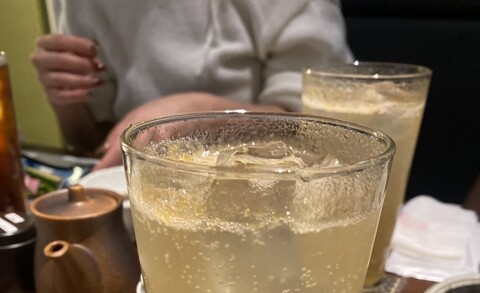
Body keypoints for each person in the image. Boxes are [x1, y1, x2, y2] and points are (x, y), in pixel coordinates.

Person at [31, 0, 352, 170]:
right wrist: (66, 98)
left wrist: (202, 116)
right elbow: (91, 142)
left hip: (271, 187)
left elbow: (324, 126)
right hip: (134, 204)